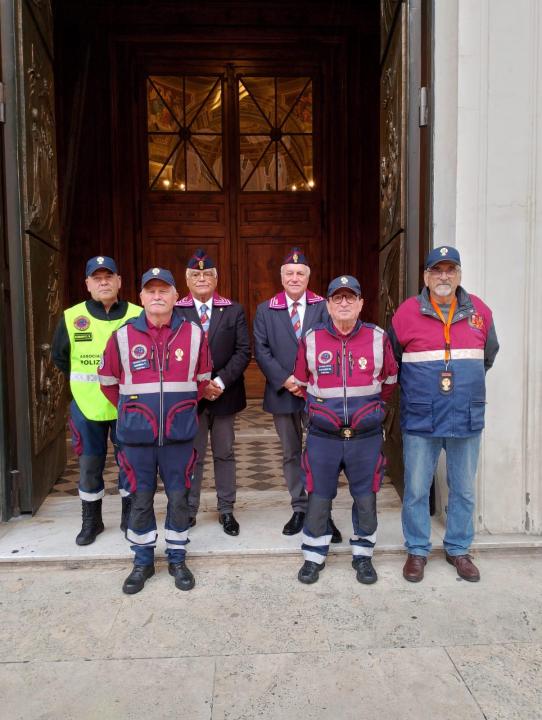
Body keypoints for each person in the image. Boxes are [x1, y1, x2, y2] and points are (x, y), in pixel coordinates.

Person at [388, 246, 499, 583]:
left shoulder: (480, 311)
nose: (444, 276)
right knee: (417, 489)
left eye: (451, 270)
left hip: (465, 414)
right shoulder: (406, 313)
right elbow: (393, 360)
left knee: (463, 488)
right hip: (421, 417)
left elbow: (488, 355)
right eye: (437, 270)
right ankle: (418, 550)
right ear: (426, 277)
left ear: (459, 275)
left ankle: (458, 549)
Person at [98, 267, 211, 594]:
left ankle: (177, 557)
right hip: (137, 437)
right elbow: (109, 384)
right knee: (140, 498)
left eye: (164, 290)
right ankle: (142, 560)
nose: (158, 296)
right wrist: (135, 411)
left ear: (177, 296)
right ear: (141, 297)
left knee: (179, 497)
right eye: (151, 291)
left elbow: (202, 382)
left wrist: (178, 410)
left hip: (179, 435)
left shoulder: (194, 334)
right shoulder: (122, 335)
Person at [292, 275, 398, 584]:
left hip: (364, 439)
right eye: (337, 298)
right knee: (318, 496)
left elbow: (390, 382)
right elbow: (301, 384)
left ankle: (363, 555)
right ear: (327, 304)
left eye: (350, 297)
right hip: (323, 438)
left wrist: (368, 412)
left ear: (361, 303)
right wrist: (324, 413)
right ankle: (314, 556)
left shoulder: (378, 337)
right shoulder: (311, 338)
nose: (344, 303)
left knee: (365, 497)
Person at [253, 248, 341, 541]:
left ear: (308, 277)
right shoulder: (267, 309)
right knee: (291, 453)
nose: (294, 278)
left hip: (317, 393)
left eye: (300, 273)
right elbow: (261, 350)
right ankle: (300, 508)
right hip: (282, 392)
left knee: (321, 454)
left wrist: (307, 380)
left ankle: (323, 512)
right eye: (289, 273)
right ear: (281, 277)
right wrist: (285, 379)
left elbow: (331, 343)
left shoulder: (322, 306)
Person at [52, 256, 140, 545]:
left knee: (131, 464)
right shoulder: (71, 316)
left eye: (108, 276)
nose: (103, 282)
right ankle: (92, 521)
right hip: (87, 406)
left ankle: (131, 518)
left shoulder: (137, 315)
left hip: (129, 405)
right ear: (87, 284)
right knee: (90, 467)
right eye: (97, 278)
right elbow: (61, 358)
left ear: (119, 282)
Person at [176, 248, 251, 535]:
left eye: (208, 274)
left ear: (216, 278)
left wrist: (218, 383)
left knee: (225, 453)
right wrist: (199, 386)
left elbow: (243, 351)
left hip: (225, 394)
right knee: (191, 455)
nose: (202, 278)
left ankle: (226, 510)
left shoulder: (233, 309)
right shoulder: (177, 309)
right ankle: (190, 509)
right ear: (187, 279)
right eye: (196, 274)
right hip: (189, 397)